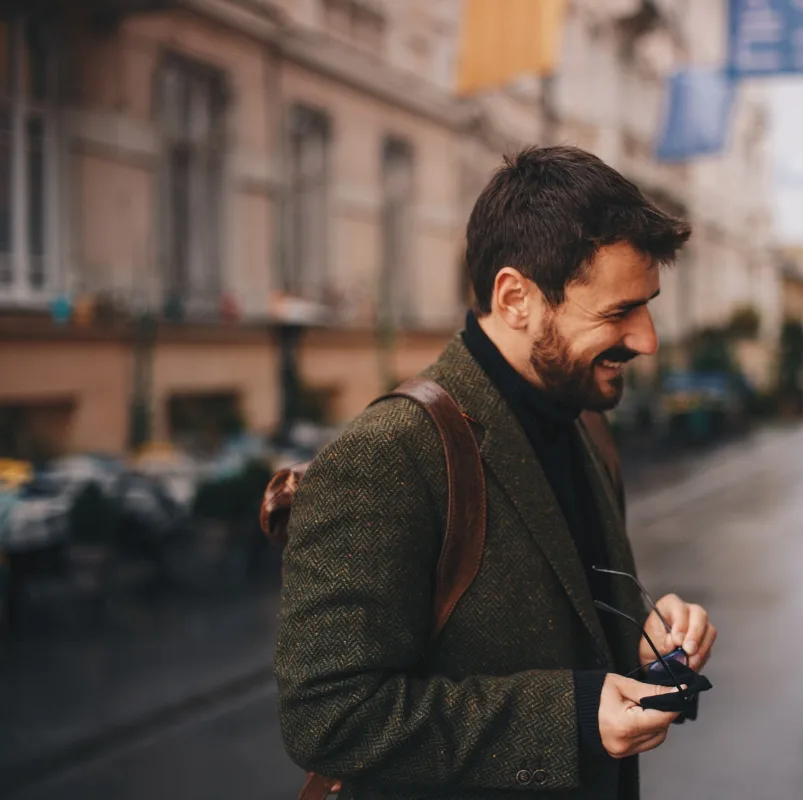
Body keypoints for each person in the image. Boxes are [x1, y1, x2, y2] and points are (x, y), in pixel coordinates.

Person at [276, 146, 716, 800]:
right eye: (619, 311)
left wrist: (644, 643)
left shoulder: (585, 423)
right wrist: (567, 719)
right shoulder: (389, 453)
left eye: (647, 305)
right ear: (516, 298)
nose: (647, 339)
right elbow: (329, 716)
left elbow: (566, 627)